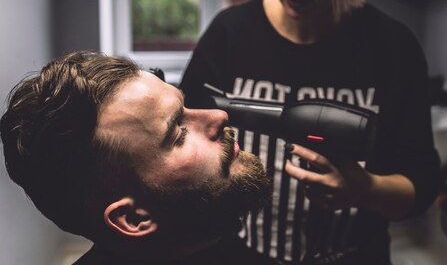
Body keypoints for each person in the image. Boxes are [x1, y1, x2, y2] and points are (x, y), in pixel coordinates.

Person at [179, 0, 441, 264]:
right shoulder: (229, 35)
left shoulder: (392, 46)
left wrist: (366, 190)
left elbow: (421, 186)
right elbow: (187, 144)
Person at [0, 51, 274, 265]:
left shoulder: (216, 236)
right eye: (178, 133)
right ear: (133, 218)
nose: (218, 117)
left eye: (185, 105)